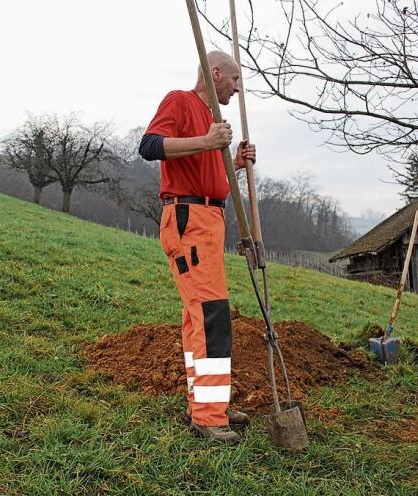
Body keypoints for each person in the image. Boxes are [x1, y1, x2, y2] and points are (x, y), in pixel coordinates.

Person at [138, 50, 256, 444]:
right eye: (235, 79)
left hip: (211, 219)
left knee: (198, 318)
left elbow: (208, 172)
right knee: (211, 315)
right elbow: (150, 145)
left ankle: (207, 403)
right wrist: (206, 139)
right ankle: (208, 417)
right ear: (215, 72)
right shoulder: (180, 101)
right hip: (187, 217)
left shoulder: (216, 121)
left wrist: (235, 163)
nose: (238, 88)